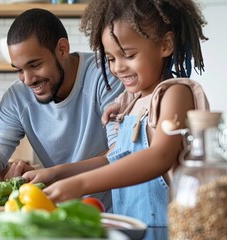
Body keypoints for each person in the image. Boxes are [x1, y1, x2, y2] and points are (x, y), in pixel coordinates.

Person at [23, 0, 209, 227]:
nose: (118, 67)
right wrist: (57, 172)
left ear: (165, 45)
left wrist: (80, 184)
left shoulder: (175, 93)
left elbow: (159, 156)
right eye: (111, 59)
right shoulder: (132, 103)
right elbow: (111, 159)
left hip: (166, 230)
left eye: (128, 55)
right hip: (131, 228)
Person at [0, 8, 124, 211]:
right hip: (61, 213)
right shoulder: (17, 98)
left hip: (118, 210)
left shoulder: (106, 75)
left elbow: (122, 152)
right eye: (19, 70)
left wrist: (54, 173)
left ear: (62, 49)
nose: (27, 80)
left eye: (35, 65)